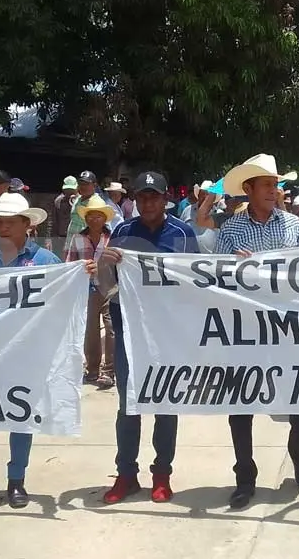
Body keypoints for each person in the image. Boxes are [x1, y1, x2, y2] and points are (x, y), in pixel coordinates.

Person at [0, 193, 88, 509]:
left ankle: (16, 480)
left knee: (20, 415)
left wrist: (80, 275)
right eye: (0, 222)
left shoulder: (45, 262)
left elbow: (61, 299)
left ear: (27, 225)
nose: (3, 227)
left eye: (10, 222)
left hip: (26, 352)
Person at [96, 171, 200, 504]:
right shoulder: (122, 231)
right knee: (128, 405)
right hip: (129, 331)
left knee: (165, 403)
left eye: (154, 196)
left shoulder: (184, 235)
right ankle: (126, 474)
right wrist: (104, 263)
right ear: (135, 200)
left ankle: (162, 475)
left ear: (166, 198)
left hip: (167, 334)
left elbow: (198, 282)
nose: (148, 202)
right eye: (142, 197)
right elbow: (104, 283)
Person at [214, 153, 299, 509]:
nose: (274, 190)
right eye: (267, 185)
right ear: (249, 189)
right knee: (241, 403)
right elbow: (219, 280)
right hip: (247, 328)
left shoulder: (294, 226)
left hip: (288, 327)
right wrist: (231, 267)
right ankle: (245, 476)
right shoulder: (231, 229)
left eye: (275, 184)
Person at [66, 194, 116, 388]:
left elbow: (120, 264)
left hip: (111, 288)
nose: (94, 219)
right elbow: (70, 263)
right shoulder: (78, 238)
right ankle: (93, 369)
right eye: (90, 216)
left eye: (98, 216)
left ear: (104, 218)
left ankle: (109, 370)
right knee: (90, 329)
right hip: (87, 289)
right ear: (85, 218)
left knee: (111, 328)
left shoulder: (113, 238)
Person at [50, 176, 77, 251]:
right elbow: (54, 221)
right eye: (67, 190)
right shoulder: (58, 201)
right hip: (61, 238)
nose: (69, 192)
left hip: (77, 238)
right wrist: (51, 239)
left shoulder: (81, 200)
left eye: (71, 190)